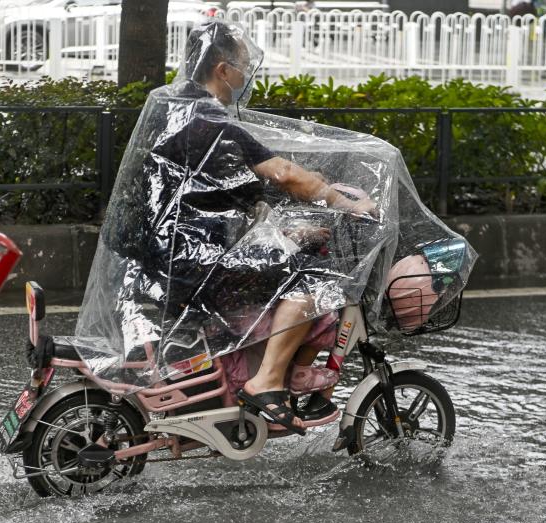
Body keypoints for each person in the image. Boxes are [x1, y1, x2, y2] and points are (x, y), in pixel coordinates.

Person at [145, 21, 376, 433]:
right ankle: (267, 381)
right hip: (196, 263)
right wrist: (344, 202)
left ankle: (273, 373)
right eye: (243, 65)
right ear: (222, 69)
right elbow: (286, 174)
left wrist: (286, 229)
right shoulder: (212, 120)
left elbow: (219, 196)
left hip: (170, 251)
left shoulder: (175, 108)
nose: (247, 74)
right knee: (315, 284)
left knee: (289, 255)